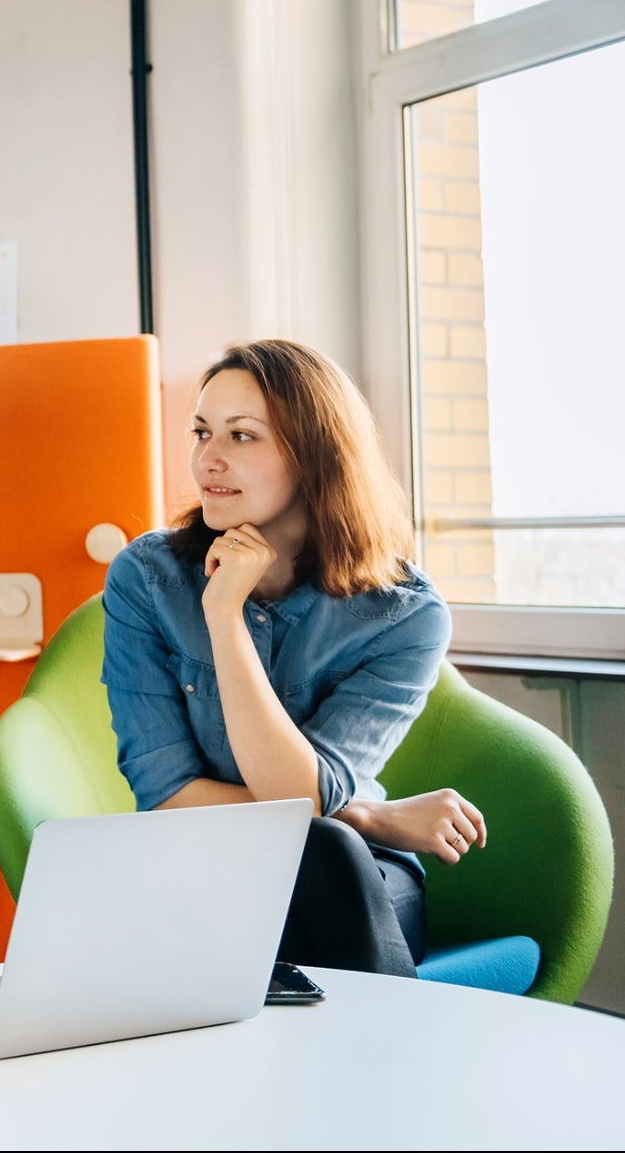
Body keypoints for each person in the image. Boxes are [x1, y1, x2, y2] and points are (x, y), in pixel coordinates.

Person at [102, 339, 487, 977]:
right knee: (322, 842)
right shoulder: (147, 577)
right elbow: (167, 796)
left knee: (323, 856)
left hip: (355, 877)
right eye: (202, 432)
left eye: (242, 436)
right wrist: (369, 815)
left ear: (315, 457)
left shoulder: (405, 614)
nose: (208, 460)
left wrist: (226, 617)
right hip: (204, 861)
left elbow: (300, 803)